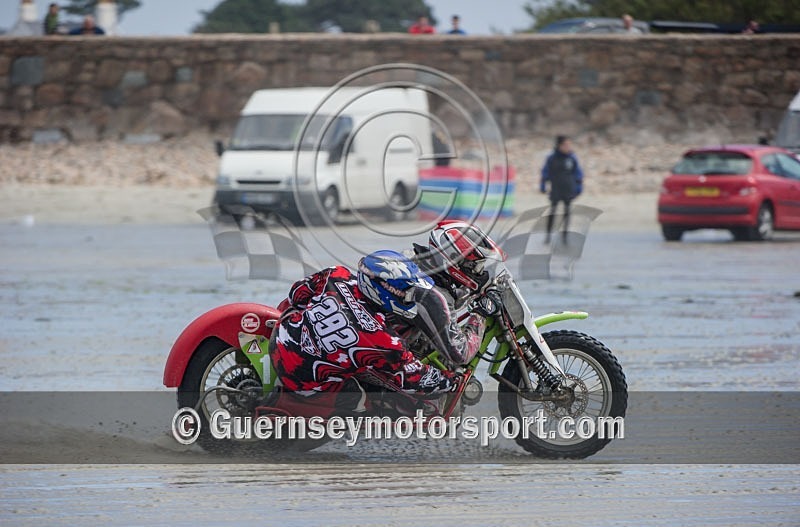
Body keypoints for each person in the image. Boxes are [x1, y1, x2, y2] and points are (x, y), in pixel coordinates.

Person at [270, 222, 505, 414]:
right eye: (404, 294)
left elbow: (297, 293)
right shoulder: (382, 339)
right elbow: (417, 378)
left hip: (281, 335)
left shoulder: (337, 276)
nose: (407, 298)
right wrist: (453, 382)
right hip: (300, 379)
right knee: (365, 407)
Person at [540, 135, 584, 244]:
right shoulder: (552, 158)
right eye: (566, 145)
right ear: (559, 145)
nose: (568, 147)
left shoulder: (572, 158)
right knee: (553, 211)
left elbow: (578, 173)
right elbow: (545, 172)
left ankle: (565, 237)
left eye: (569, 145)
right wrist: (543, 185)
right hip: (556, 188)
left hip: (568, 188)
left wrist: (579, 187)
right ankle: (548, 235)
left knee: (567, 212)